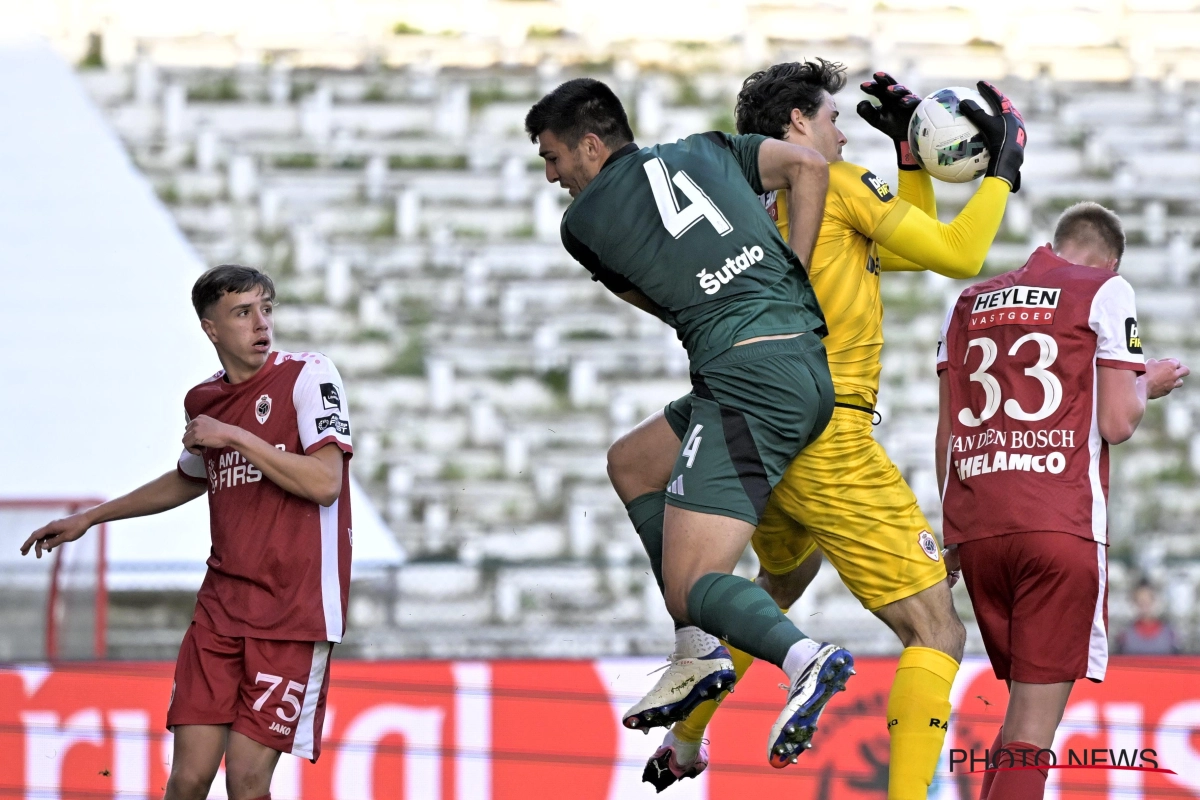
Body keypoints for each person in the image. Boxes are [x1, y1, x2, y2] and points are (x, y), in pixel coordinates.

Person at [638, 62, 1025, 798]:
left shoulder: (743, 203)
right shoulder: (837, 186)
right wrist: (1002, 172)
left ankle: (688, 738)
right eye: (831, 119)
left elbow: (900, 252)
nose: (842, 133)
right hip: (826, 431)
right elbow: (959, 254)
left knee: (784, 576)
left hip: (750, 427)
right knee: (936, 632)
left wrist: (911, 166)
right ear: (796, 127)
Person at [525, 77, 854, 765]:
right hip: (799, 357)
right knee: (633, 462)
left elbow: (661, 300)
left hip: (746, 379)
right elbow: (809, 166)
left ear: (591, 144)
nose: (552, 175)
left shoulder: (580, 226)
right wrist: (789, 263)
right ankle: (696, 651)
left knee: (692, 584)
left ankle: (804, 660)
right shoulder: (707, 148)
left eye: (554, 157)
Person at [21, 265, 354, 800]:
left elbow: (324, 483)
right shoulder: (204, 403)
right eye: (243, 312)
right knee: (188, 780)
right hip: (221, 608)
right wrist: (90, 517)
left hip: (293, 612)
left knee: (246, 783)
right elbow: (189, 478)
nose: (260, 323)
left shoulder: (309, 376)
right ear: (211, 329)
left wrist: (236, 437)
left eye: (266, 309)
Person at [936, 203, 1189, 799]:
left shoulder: (967, 301)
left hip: (977, 529)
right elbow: (1119, 421)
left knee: (1017, 721)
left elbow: (947, 433)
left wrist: (952, 539)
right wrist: (1145, 383)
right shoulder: (1105, 288)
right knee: (1031, 732)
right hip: (1057, 525)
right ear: (1113, 259)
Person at [1116, 579, 1180, 654]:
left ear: (1155, 600)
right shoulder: (1125, 635)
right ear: (1134, 602)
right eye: (1140, 600)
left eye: (1148, 599)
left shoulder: (1169, 634)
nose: (1144, 605)